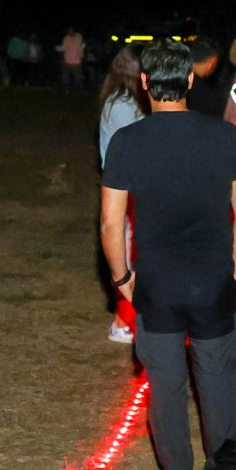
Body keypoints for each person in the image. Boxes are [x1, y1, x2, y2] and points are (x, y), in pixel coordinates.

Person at [99, 40, 236, 470]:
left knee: (166, 386)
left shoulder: (128, 141)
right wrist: (235, 273)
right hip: (212, 280)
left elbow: (110, 223)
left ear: (146, 84)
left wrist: (123, 280)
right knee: (217, 379)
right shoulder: (226, 137)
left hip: (157, 284)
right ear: (189, 80)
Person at [94, 49, 146, 345]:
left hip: (128, 188)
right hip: (123, 190)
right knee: (126, 254)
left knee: (131, 252)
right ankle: (122, 322)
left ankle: (124, 319)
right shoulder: (122, 105)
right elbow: (133, 151)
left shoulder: (126, 100)